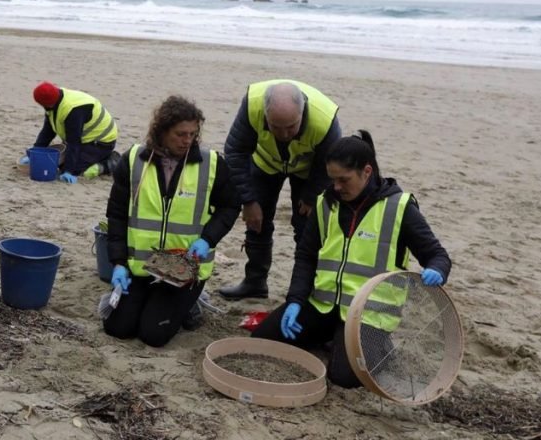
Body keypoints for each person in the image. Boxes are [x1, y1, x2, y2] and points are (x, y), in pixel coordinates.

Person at [251, 130, 452, 388]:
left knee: (345, 378)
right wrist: (295, 301)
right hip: (322, 306)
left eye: (343, 180)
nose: (336, 187)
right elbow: (306, 256)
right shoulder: (325, 203)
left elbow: (437, 255)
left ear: (367, 172)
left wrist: (437, 270)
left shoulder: (399, 208)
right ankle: (329, 338)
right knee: (262, 338)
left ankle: (379, 347)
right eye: (332, 179)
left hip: (368, 316)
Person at [102, 95, 240, 347]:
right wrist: (118, 263)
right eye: (180, 134)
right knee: (117, 328)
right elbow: (117, 215)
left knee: (153, 335)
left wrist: (207, 239)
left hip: (184, 270)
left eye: (193, 134)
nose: (187, 141)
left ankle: (191, 304)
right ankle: (144, 299)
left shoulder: (211, 164)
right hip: (142, 265)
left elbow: (230, 206)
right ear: (161, 131)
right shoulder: (132, 161)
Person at [218, 80, 342, 300]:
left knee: (307, 229)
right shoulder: (252, 105)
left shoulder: (325, 120)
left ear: (303, 114)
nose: (284, 134)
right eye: (275, 126)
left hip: (309, 170)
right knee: (257, 223)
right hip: (265, 162)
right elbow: (235, 151)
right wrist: (248, 200)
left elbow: (330, 163)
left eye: (291, 127)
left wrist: (312, 196)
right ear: (265, 114)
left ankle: (305, 291)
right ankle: (255, 282)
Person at [19, 82, 120, 183]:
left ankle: (110, 163)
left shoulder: (74, 110)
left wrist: (69, 171)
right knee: (56, 163)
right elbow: (48, 131)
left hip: (100, 143)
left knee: (77, 171)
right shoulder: (54, 102)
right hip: (84, 141)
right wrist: (35, 152)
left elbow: (74, 142)